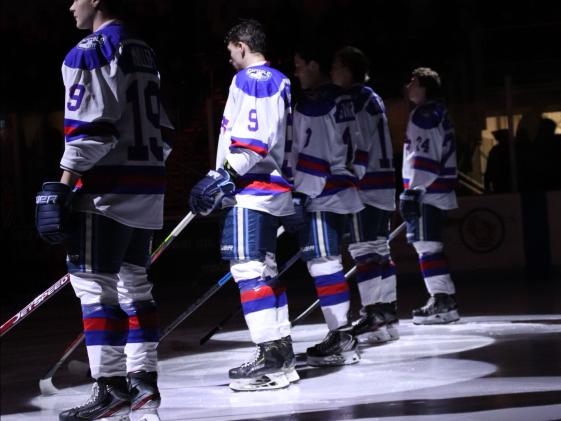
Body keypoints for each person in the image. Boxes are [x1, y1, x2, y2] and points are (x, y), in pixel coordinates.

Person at [34, 0, 172, 419]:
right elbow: (164, 131)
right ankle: (143, 385)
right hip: (147, 188)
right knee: (136, 287)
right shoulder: (141, 48)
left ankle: (111, 390)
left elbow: (93, 130)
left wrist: (62, 185)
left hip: (107, 192)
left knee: (95, 289)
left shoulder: (90, 50)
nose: (68, 4)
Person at [187, 19, 297, 391]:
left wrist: (224, 175)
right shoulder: (281, 80)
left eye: (230, 50)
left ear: (241, 45)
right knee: (265, 271)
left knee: (248, 270)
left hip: (252, 190)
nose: (229, 58)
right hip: (271, 188)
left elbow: (253, 140)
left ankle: (270, 358)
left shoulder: (250, 79)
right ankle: (282, 356)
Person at [289, 43, 364, 366]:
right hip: (343, 189)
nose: (296, 72)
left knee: (324, 263)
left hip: (322, 193)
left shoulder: (313, 103)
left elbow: (311, 157)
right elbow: (362, 150)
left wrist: (297, 192)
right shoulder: (347, 97)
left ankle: (342, 335)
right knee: (328, 261)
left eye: (299, 64)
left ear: (314, 64)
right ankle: (342, 333)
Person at [330, 46, 399, 343]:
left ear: (346, 69)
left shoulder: (351, 99)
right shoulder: (373, 96)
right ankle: (387, 314)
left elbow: (356, 142)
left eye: (335, 67)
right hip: (383, 182)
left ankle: (372, 315)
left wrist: (349, 177)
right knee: (380, 249)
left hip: (365, 184)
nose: (332, 73)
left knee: (363, 250)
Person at [400, 67, 460, 325]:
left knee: (426, 246)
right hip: (435, 189)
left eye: (413, 82)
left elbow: (425, 158)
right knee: (428, 245)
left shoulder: (424, 114)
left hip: (428, 192)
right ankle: (442, 298)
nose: (408, 86)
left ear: (424, 86)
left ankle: (442, 300)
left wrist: (414, 191)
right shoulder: (437, 111)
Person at [484, 128, 512, 193]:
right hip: (508, 184)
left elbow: (489, 170)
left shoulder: (495, 151)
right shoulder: (513, 150)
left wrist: (487, 185)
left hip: (499, 184)